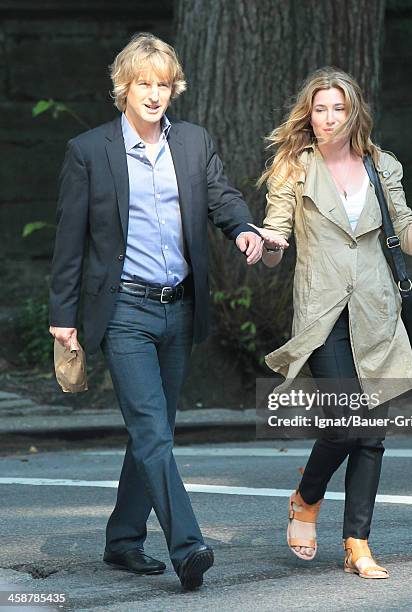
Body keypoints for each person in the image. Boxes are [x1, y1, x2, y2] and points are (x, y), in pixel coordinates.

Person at [48, 32, 268, 590]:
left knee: (154, 431)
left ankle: (123, 540)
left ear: (175, 89)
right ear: (124, 87)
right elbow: (69, 239)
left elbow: (221, 196)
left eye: (164, 84)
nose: (154, 93)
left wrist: (243, 228)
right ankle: (188, 547)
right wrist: (62, 311)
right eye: (144, 83)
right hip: (122, 310)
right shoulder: (89, 150)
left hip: (179, 306)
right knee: (152, 430)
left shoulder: (193, 142)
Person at [254, 67, 412, 578]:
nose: (329, 118)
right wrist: (266, 245)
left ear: (354, 114)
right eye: (320, 108)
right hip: (323, 313)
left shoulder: (381, 165)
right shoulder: (295, 167)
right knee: (345, 422)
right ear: (308, 114)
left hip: (376, 314)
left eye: (339, 108)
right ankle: (307, 497)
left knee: (371, 433)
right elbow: (273, 240)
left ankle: (358, 543)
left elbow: (409, 243)